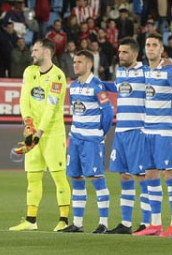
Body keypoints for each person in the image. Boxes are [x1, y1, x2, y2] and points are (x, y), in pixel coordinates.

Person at [8, 39, 71, 232]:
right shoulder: (30, 71)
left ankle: (63, 221)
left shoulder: (58, 76)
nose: (32, 53)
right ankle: (30, 220)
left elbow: (51, 108)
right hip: (32, 131)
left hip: (51, 134)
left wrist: (39, 132)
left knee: (58, 177)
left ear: (46, 52)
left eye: (35, 50)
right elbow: (24, 98)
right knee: (33, 177)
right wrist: (28, 124)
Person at [59, 51, 114, 233]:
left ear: (89, 65)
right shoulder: (73, 86)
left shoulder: (97, 86)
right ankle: (78, 223)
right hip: (75, 138)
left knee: (96, 178)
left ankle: (103, 223)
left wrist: (100, 133)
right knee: (76, 177)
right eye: (74, 62)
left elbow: (107, 113)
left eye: (79, 62)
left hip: (92, 139)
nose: (75, 65)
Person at [133, 33, 172, 237]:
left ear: (161, 49)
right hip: (147, 130)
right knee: (150, 175)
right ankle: (155, 223)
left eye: (154, 45)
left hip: (165, 131)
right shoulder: (144, 72)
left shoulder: (169, 70)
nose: (150, 48)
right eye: (148, 45)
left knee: (170, 173)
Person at [105, 37, 148, 234]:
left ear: (135, 54)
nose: (120, 55)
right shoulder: (120, 72)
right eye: (119, 52)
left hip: (138, 131)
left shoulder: (146, 72)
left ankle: (148, 222)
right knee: (124, 176)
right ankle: (126, 223)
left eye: (124, 52)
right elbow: (117, 87)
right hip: (121, 130)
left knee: (142, 176)